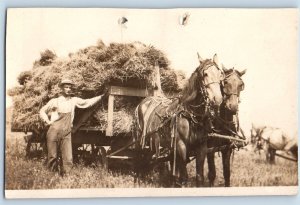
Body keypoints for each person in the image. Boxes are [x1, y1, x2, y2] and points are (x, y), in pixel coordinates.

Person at [40, 79, 104, 176]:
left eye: (70, 87)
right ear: (61, 88)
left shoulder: (74, 100)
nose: (68, 89)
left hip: (66, 132)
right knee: (52, 156)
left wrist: (101, 97)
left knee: (68, 157)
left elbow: (87, 102)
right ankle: (51, 176)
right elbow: (42, 111)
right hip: (53, 131)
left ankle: (67, 177)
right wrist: (47, 121)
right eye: (66, 87)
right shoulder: (54, 101)